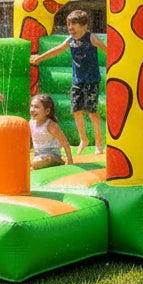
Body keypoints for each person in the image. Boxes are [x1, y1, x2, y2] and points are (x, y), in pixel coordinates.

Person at [29, 9, 107, 154]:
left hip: (91, 81)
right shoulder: (70, 40)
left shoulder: (92, 38)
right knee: (77, 111)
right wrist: (40, 58)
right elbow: (58, 50)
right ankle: (84, 140)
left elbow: (107, 50)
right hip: (77, 81)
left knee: (92, 112)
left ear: (84, 26)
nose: (71, 28)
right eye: (69, 25)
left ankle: (99, 143)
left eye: (74, 25)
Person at [28, 93, 73, 169]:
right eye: (31, 106)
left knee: (35, 163)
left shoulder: (51, 125)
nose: (32, 109)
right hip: (38, 154)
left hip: (52, 154)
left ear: (47, 111)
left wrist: (70, 160)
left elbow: (65, 143)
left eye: (36, 107)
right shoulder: (31, 122)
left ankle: (59, 161)